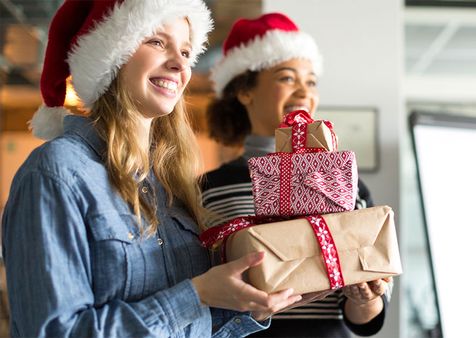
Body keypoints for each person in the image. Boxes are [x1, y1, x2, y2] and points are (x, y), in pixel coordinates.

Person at [1, 1, 302, 337]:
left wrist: (248, 307)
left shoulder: (169, 182)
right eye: (157, 42)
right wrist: (197, 295)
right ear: (110, 54)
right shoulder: (57, 173)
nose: (179, 64)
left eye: (186, 51)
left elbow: (189, 329)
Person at [201, 13, 392, 337]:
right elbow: (203, 291)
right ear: (245, 91)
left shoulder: (347, 183)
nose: (304, 91)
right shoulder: (210, 187)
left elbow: (367, 319)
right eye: (287, 78)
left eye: (311, 81)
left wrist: (365, 298)